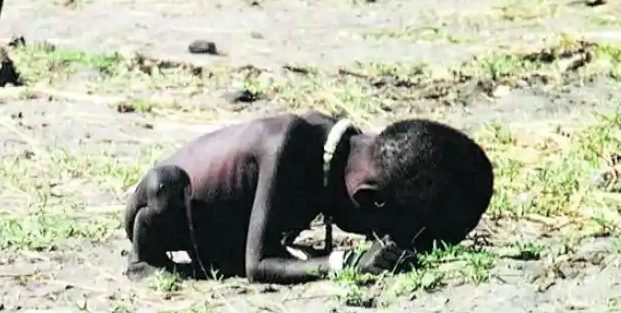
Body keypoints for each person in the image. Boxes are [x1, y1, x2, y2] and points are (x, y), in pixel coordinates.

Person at [123, 111, 494, 284]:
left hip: (224, 231)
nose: (381, 239)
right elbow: (259, 264)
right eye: (387, 231)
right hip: (170, 206)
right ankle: (142, 260)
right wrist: (346, 263)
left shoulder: (348, 150)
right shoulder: (289, 148)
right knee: (164, 189)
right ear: (368, 201)